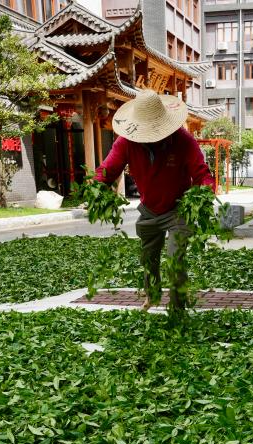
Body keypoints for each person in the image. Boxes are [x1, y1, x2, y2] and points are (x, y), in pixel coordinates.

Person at [94, 89, 214, 312]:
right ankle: (153, 296)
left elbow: (202, 174)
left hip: (179, 209)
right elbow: (107, 169)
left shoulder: (182, 140)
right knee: (148, 259)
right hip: (149, 209)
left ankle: (178, 308)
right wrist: (96, 188)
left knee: (174, 258)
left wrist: (204, 195)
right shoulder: (126, 142)